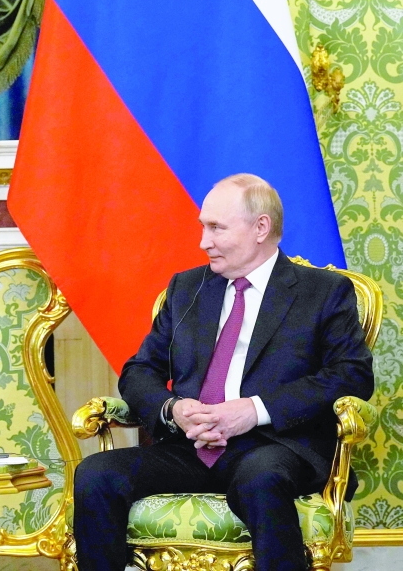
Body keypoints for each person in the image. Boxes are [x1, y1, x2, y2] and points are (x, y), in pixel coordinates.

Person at [72, 174, 374, 571]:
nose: (203, 241)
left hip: (273, 446)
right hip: (188, 448)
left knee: (261, 478)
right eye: (203, 227)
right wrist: (173, 409)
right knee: (95, 473)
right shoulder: (188, 288)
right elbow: (139, 370)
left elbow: (351, 375)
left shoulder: (323, 292)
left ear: (260, 228)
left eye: (216, 228)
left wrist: (253, 410)